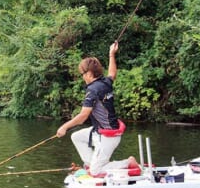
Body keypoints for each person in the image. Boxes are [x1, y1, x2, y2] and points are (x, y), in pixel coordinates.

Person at [56, 41, 139, 176]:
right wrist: (111, 54)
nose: (82, 77)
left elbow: (83, 116)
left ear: (89, 73)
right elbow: (112, 72)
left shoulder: (93, 90)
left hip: (107, 136)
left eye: (82, 74)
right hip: (100, 131)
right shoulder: (105, 82)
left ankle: (127, 162)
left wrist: (64, 127)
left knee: (96, 171)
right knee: (77, 137)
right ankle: (92, 164)